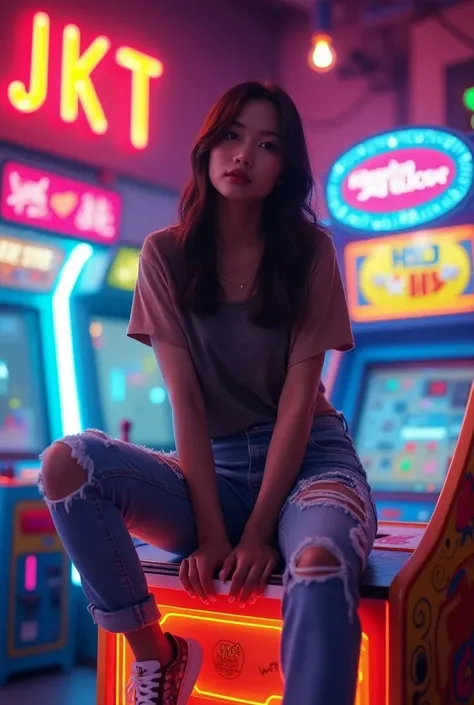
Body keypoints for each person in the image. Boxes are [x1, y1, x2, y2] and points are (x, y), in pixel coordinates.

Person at [39, 81, 377, 705]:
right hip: (212, 474)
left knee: (320, 564)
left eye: (266, 144)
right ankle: (159, 658)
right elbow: (186, 405)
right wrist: (216, 532)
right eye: (231, 135)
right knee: (68, 467)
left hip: (311, 464)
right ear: (207, 147)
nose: (243, 155)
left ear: (284, 170)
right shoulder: (164, 255)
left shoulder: (310, 252)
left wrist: (258, 533)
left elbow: (299, 406)